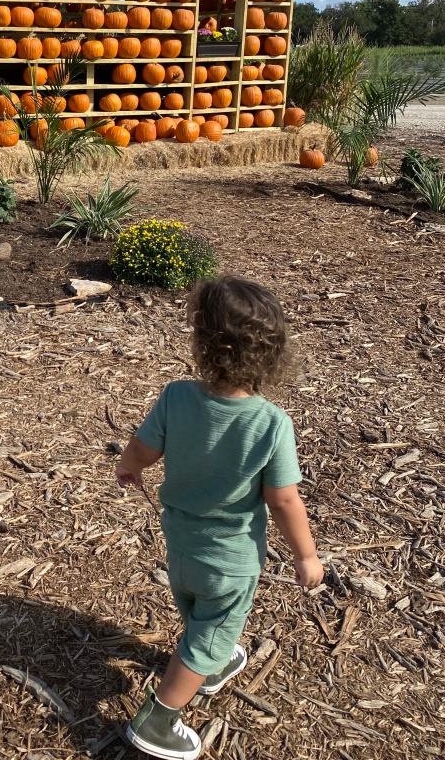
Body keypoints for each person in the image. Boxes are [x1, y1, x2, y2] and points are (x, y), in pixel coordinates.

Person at [116, 276, 324, 760]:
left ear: (202, 342)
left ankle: (212, 662)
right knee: (209, 633)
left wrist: (129, 467)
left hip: (180, 542)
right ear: (271, 353)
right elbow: (284, 500)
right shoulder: (270, 424)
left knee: (198, 612)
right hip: (230, 559)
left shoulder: (176, 397)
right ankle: (158, 720)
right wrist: (306, 555)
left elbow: (143, 448)